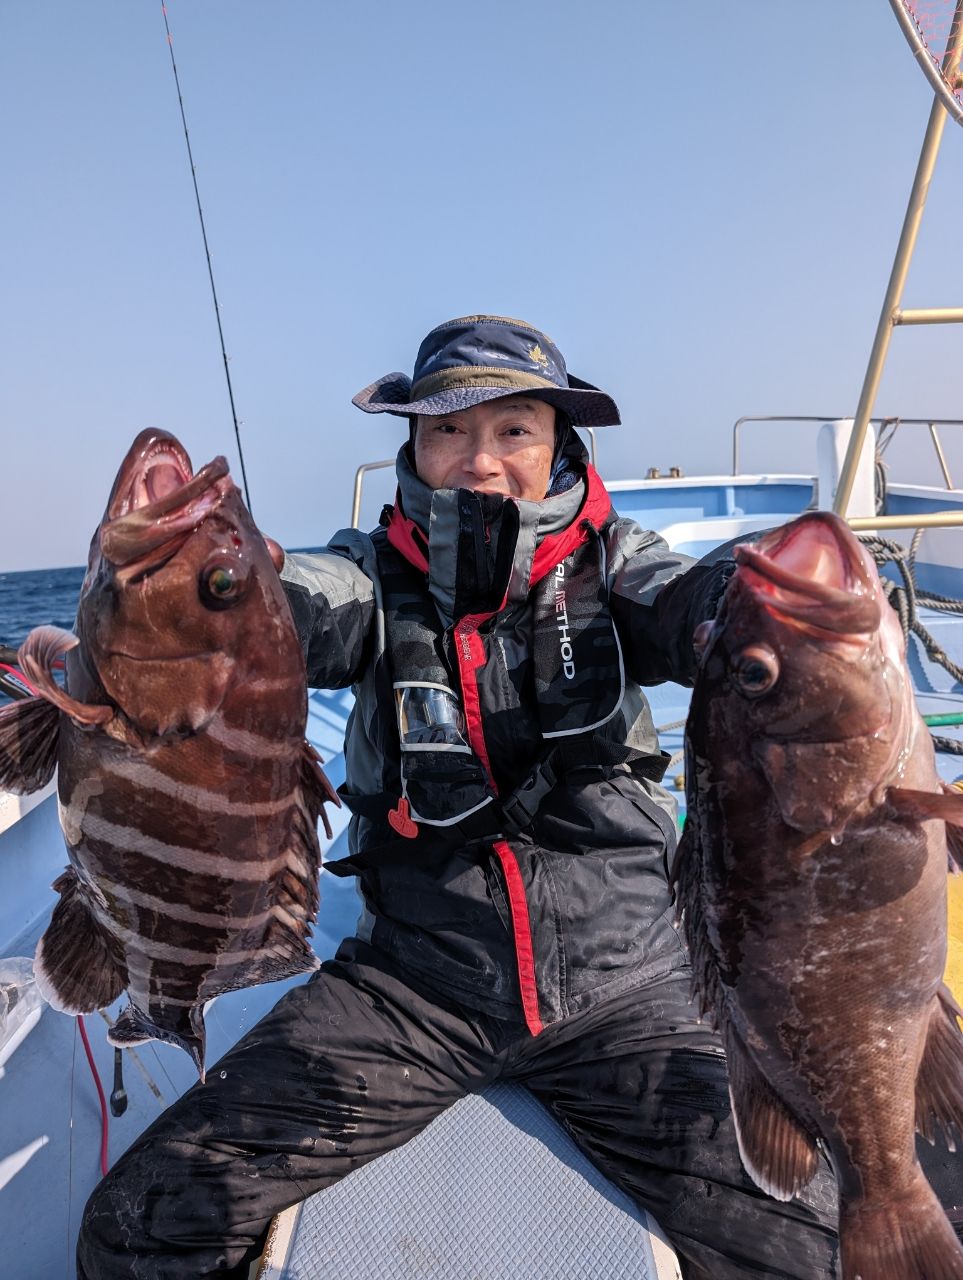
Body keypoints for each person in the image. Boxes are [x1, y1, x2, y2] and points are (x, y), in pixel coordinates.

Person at [77, 315, 839, 1278]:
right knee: (142, 1226)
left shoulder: (618, 563)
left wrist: (771, 600)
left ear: (559, 442)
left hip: (637, 986)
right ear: (413, 445)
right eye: (447, 430)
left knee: (836, 1242)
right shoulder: (368, 572)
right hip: (412, 989)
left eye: (513, 429)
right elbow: (296, 606)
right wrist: (208, 601)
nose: (478, 459)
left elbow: (695, 601)